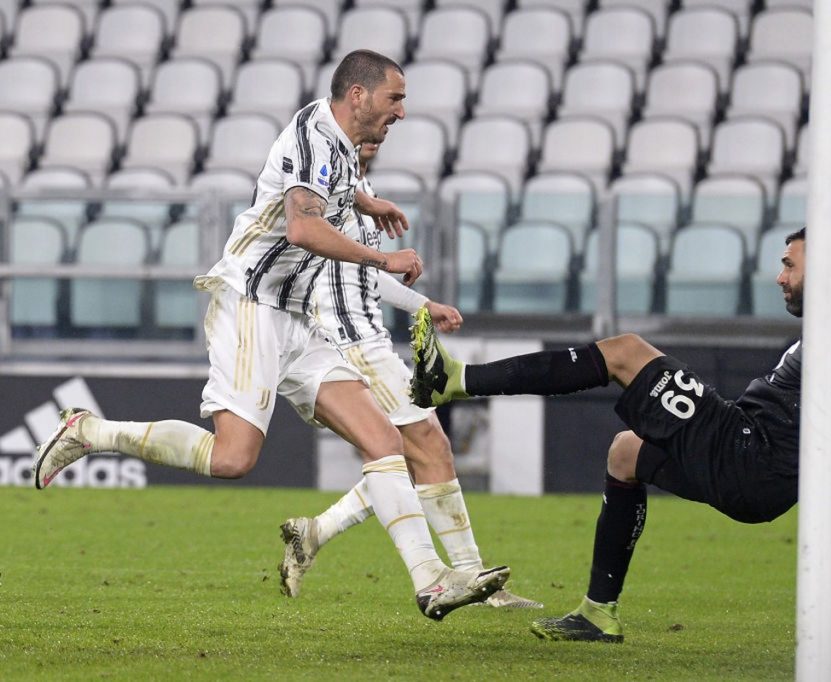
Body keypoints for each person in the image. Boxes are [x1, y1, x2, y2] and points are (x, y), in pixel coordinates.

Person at [33, 49, 508, 621]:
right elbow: (305, 226)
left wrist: (364, 198)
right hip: (251, 303)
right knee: (234, 459)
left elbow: (327, 185)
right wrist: (382, 260)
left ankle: (431, 580)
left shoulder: (339, 141)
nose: (402, 111)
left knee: (384, 441)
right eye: (395, 98)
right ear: (357, 94)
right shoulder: (315, 137)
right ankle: (91, 431)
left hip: (299, 317)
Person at [408, 227, 831, 642]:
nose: (779, 276)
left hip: (749, 453)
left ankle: (456, 380)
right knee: (626, 452)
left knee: (626, 351)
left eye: (790, 264)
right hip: (747, 462)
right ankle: (597, 612)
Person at [277, 140, 541, 608]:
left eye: (378, 137)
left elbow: (365, 275)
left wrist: (425, 304)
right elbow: (327, 258)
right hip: (345, 342)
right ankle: (473, 579)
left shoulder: (357, 189)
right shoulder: (319, 195)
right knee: (428, 447)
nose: (375, 139)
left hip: (371, 337)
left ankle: (315, 532)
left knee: (409, 455)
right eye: (366, 133)